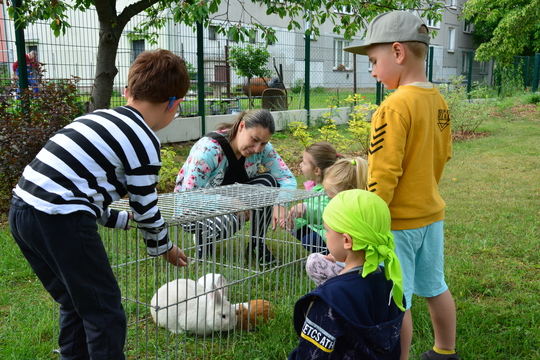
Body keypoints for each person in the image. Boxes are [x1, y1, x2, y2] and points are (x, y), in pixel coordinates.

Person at [8, 49, 190, 360]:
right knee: (105, 311)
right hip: (59, 218)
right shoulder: (144, 140)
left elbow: (79, 188)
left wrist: (121, 220)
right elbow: (146, 207)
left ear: (128, 91)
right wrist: (165, 247)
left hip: (23, 211)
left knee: (76, 301)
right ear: (173, 103)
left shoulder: (98, 117)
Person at [344, 11, 458, 360]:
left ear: (398, 52)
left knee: (397, 299)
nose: (373, 71)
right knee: (435, 287)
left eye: (374, 61)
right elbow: (446, 153)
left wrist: (369, 218)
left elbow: (384, 171)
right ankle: (444, 351)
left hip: (398, 224)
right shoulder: (437, 101)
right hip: (431, 216)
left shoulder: (392, 107)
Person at [289, 189, 405, 360]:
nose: (325, 235)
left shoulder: (330, 298)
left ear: (347, 241)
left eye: (327, 230)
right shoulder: (390, 283)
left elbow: (310, 354)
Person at [174, 108, 297, 265]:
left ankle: (256, 244)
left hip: (230, 198)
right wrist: (229, 203)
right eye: (254, 139)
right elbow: (188, 197)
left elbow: (286, 177)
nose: (257, 149)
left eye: (263, 143)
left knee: (269, 182)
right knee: (229, 223)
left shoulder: (262, 148)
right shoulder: (208, 150)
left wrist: (280, 203)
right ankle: (203, 242)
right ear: (241, 126)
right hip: (192, 208)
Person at [304, 156, 369, 286]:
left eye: (331, 198)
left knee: (314, 261)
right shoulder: (368, 212)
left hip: (357, 276)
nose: (330, 202)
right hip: (358, 270)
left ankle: (333, 294)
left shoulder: (348, 219)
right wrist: (335, 256)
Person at [282, 142, 340, 254]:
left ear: (317, 170)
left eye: (304, 163)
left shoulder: (329, 191)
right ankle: (322, 255)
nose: (300, 165)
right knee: (298, 230)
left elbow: (324, 214)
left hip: (332, 236)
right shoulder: (316, 187)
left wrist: (305, 208)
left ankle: (330, 258)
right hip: (321, 229)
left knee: (309, 239)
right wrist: (292, 221)